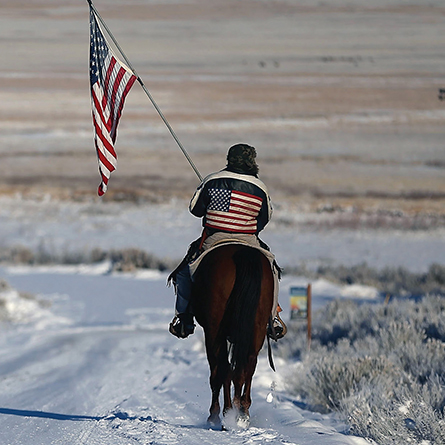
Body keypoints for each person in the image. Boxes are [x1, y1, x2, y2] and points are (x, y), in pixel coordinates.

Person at [168, 143, 285, 339]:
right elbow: (265, 218)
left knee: (183, 274)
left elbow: (195, 209)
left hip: (214, 239)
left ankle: (184, 318)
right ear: (252, 162)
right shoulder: (260, 187)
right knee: (271, 269)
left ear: (229, 159)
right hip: (248, 239)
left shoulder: (213, 180)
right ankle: (272, 318)